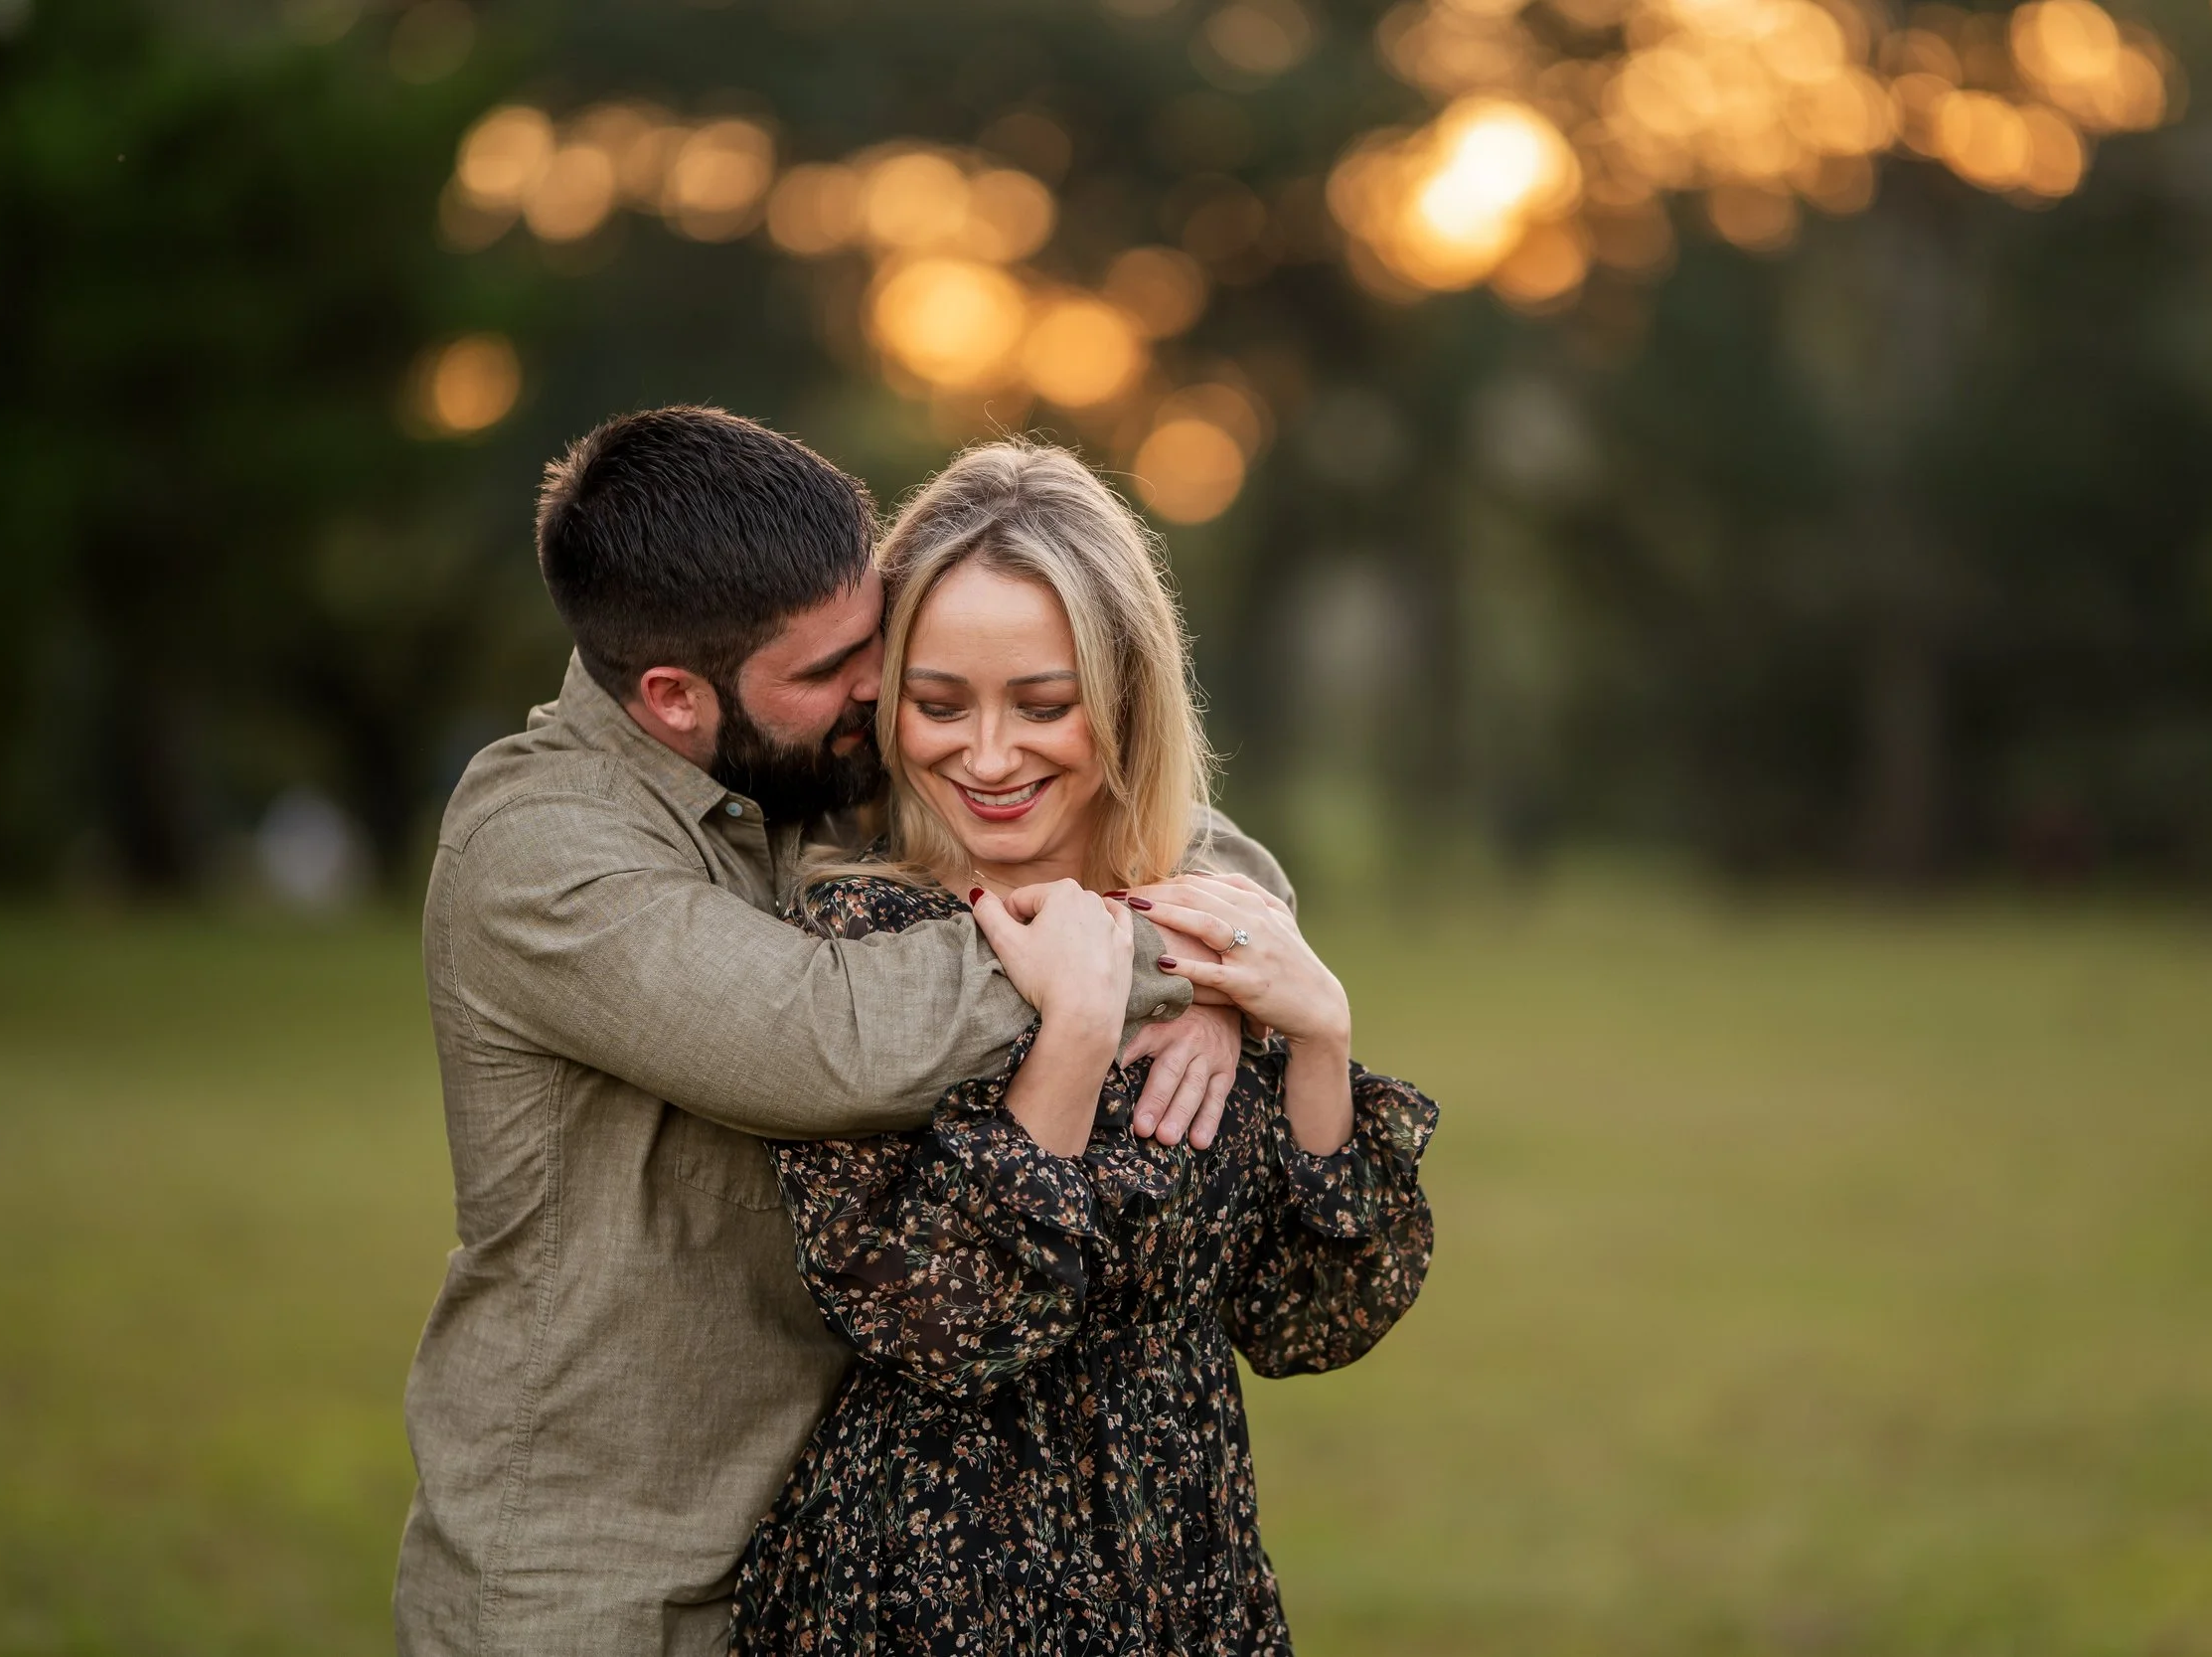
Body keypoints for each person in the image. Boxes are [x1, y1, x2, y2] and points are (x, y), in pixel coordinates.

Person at [394, 408, 1289, 1657]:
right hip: (597, 1578)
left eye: (874, 646)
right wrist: (1157, 963)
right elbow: (831, 1037)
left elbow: (1169, 816)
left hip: (817, 1555)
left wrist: (1242, 962)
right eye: (830, 671)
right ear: (673, 699)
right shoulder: (541, 853)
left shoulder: (805, 755)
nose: (873, 693)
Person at [728, 441, 1437, 1654]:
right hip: (929, 1581)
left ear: (1124, 696)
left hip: (1180, 1574)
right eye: (940, 703)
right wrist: (1077, 1032)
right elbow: (948, 1332)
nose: (989, 757)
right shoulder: (854, 939)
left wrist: (1316, 1036)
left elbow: (1306, 1318)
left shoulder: (1203, 923)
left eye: (1043, 706)